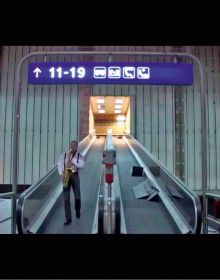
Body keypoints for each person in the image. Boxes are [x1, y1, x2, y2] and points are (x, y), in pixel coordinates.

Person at [57, 140, 85, 225]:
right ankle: (68, 218)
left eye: (74, 146)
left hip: (74, 174)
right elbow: (59, 163)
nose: (72, 147)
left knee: (77, 195)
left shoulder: (79, 156)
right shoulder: (65, 155)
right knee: (66, 198)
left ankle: (77, 210)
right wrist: (61, 174)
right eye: (71, 146)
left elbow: (82, 165)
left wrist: (74, 164)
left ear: (77, 147)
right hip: (66, 175)